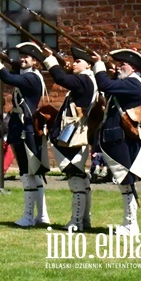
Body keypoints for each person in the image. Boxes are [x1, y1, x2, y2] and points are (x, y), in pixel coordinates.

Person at [0, 43, 50, 228]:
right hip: (21, 126)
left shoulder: (32, 78)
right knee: (30, 173)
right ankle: (41, 215)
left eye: (27, 57)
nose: (23, 59)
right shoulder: (27, 75)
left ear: (35, 61)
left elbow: (6, 77)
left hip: (26, 128)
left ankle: (29, 216)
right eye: (21, 56)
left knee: (28, 173)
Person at [91, 48, 141, 236]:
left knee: (126, 180)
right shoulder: (130, 82)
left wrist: (99, 65)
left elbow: (104, 86)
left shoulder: (134, 83)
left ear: (132, 68)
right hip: (121, 138)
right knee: (124, 181)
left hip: (125, 138)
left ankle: (131, 224)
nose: (118, 68)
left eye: (122, 65)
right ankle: (129, 223)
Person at [43, 46, 98, 232]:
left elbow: (59, 78)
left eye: (78, 61)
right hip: (75, 134)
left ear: (88, 65)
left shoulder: (83, 79)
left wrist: (51, 60)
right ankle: (84, 220)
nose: (73, 64)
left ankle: (76, 222)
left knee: (76, 180)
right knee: (80, 179)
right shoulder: (88, 79)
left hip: (73, 136)